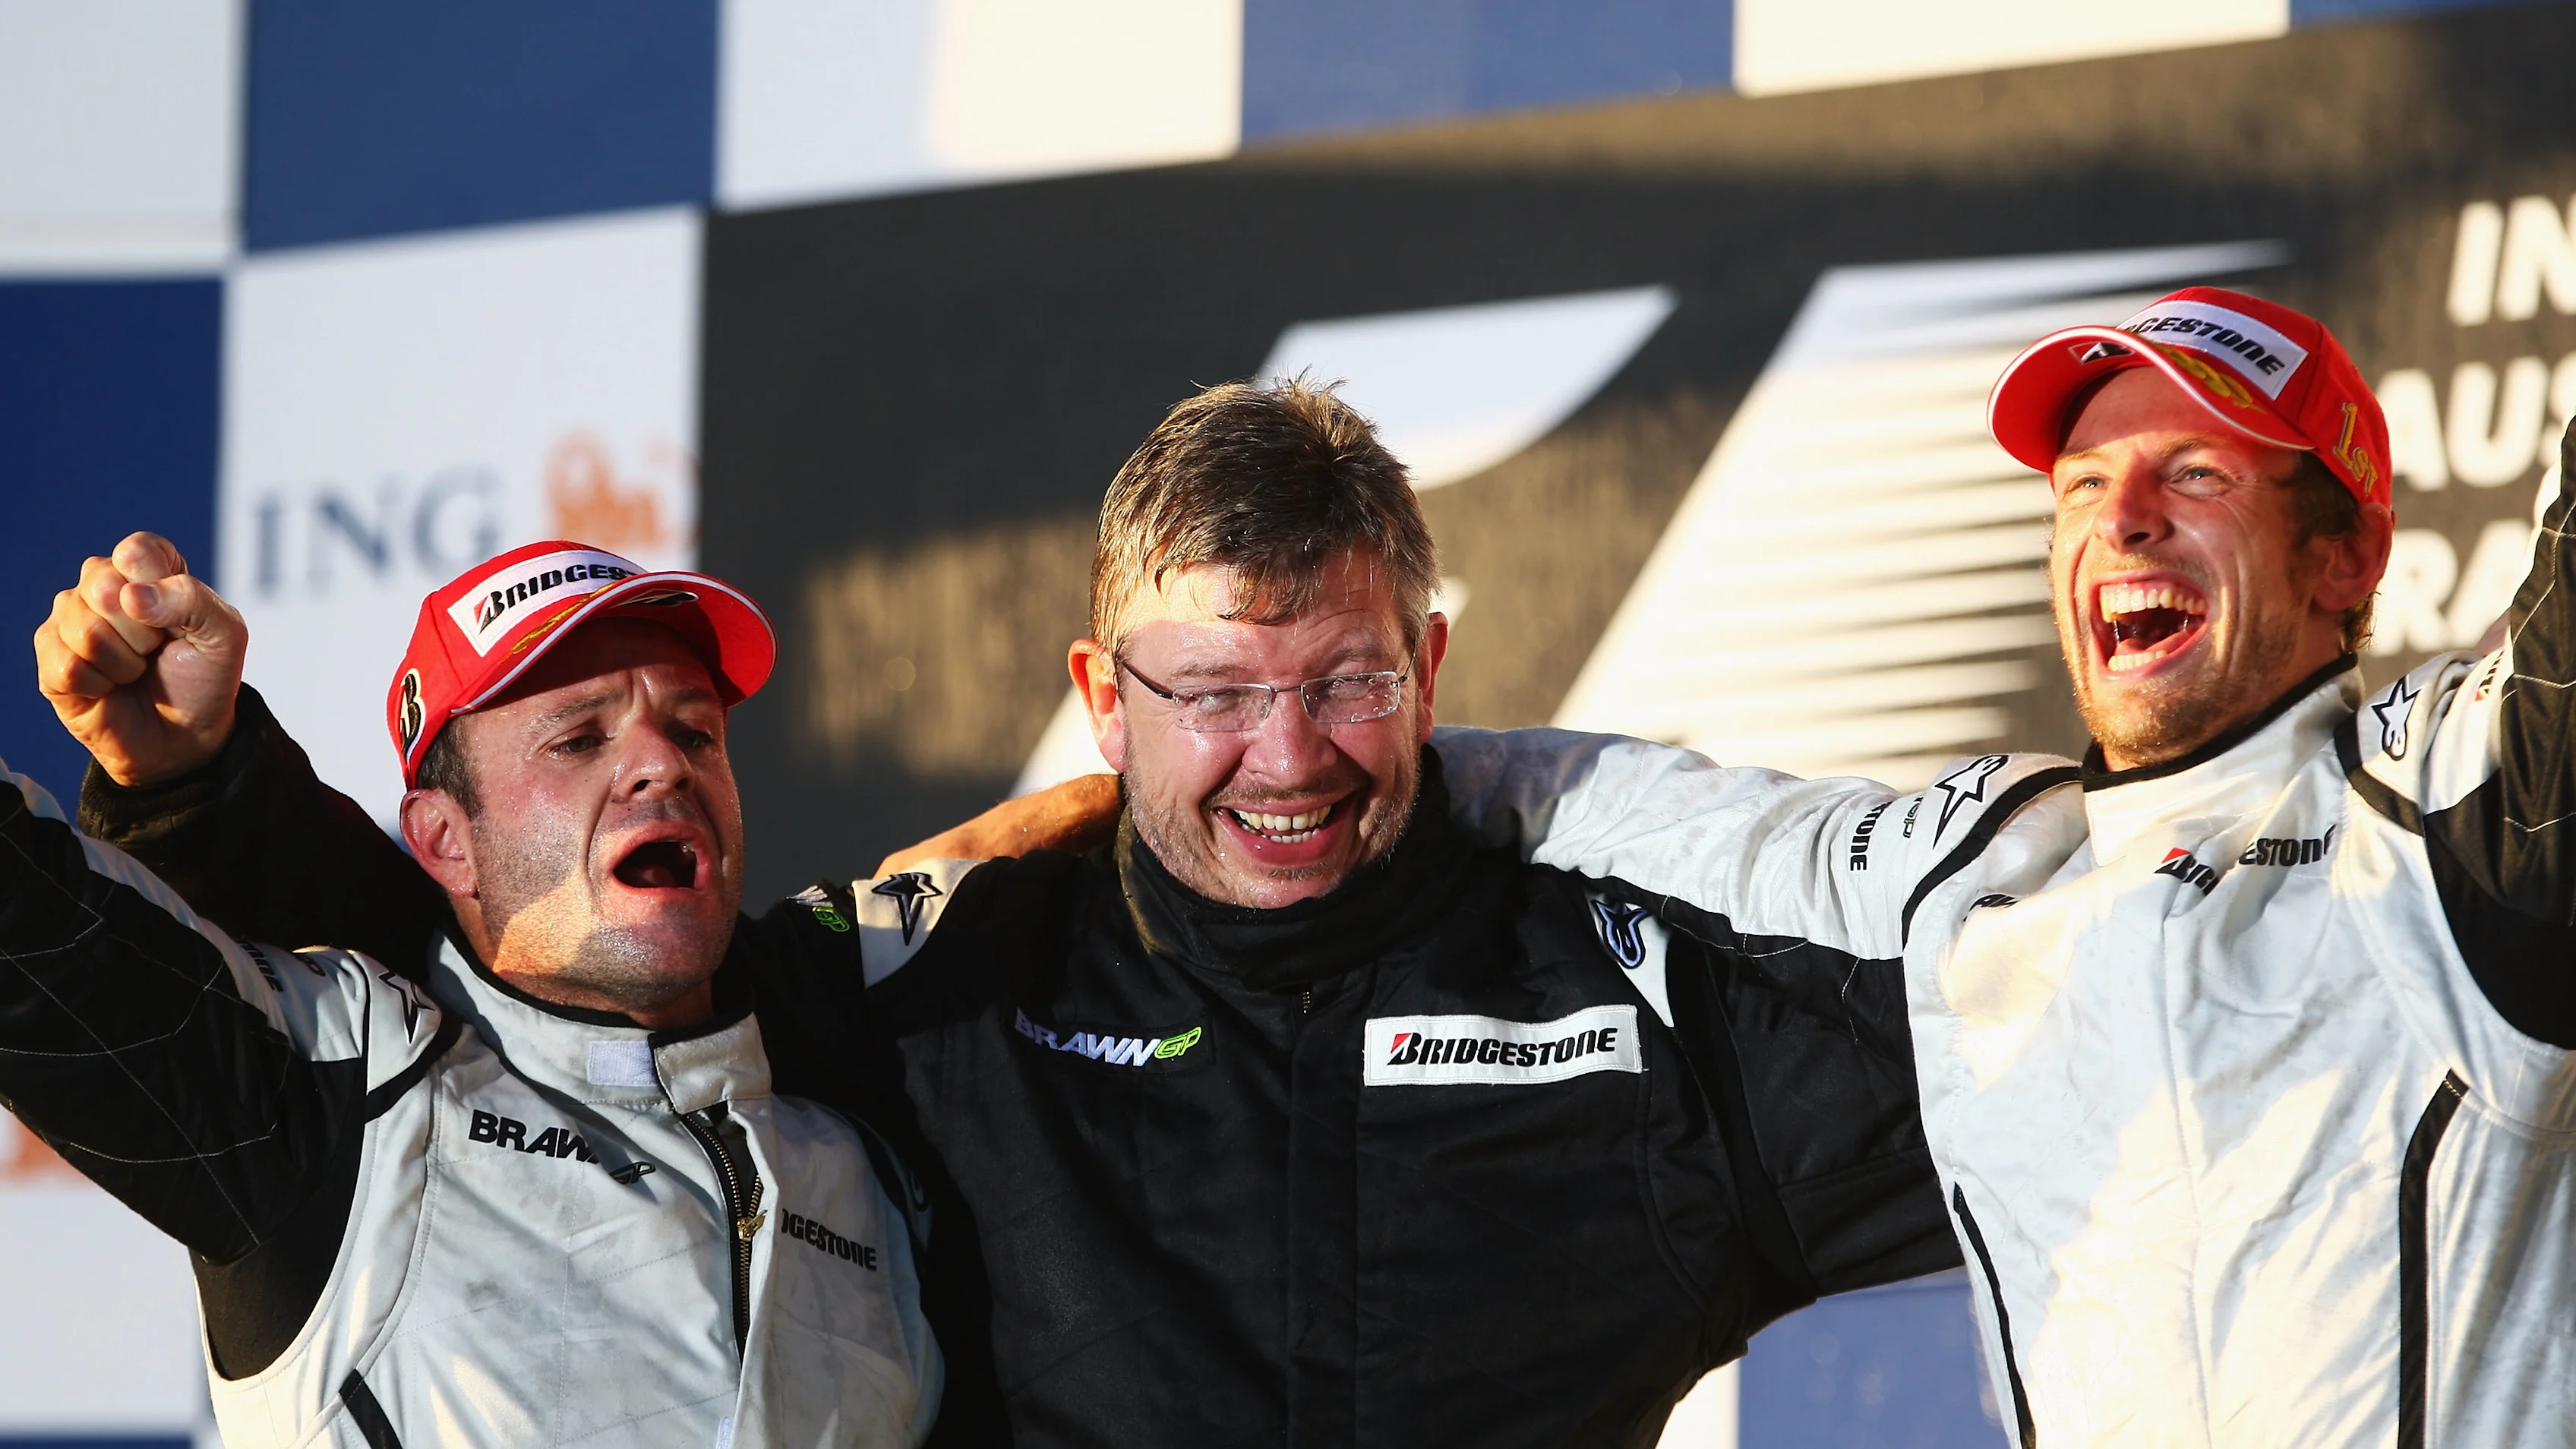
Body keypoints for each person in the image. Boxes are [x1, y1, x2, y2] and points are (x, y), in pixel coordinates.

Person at [46, 380, 1956, 1447]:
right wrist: (212, 803)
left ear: (1427, 665)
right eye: (1209, 691)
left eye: (688, 725)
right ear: (1103, 692)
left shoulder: (844, 1100)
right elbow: (477, 992)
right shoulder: (382, 1108)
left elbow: (2079, 1066)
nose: (1283, 754)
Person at [1422, 289, 2576, 1445]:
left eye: (2196, 475)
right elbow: (1652, 813)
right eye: (2082, 484)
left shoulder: (2451, 811)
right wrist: (1367, 765)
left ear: (2347, 557)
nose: (2121, 520)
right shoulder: (1983, 877)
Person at [13, 540, 939, 1447]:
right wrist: (189, 789)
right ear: (446, 841)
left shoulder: (871, 1161)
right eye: (578, 738)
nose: (665, 766)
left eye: (695, 730)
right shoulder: (345, 1094)